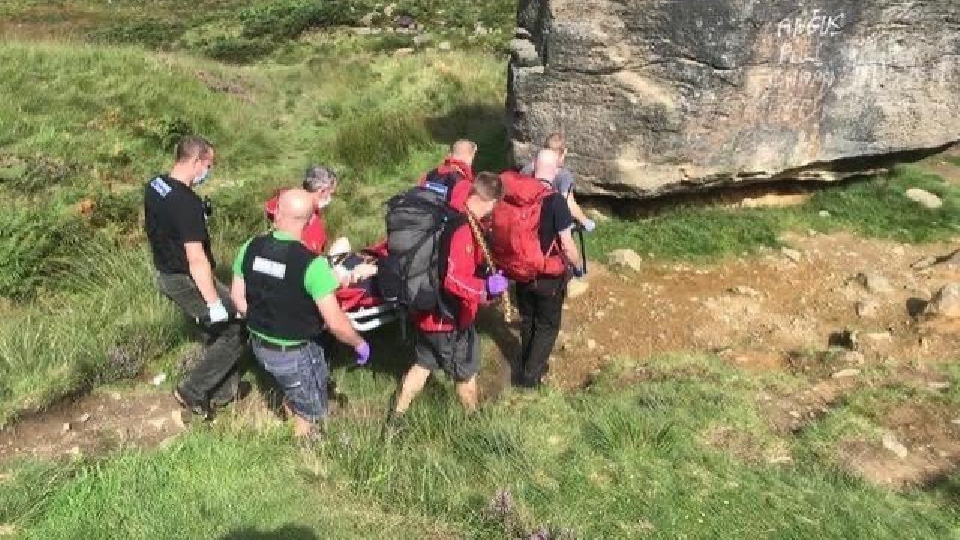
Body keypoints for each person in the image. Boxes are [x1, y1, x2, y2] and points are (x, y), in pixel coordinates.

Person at [231, 189, 371, 440]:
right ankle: (307, 451)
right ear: (309, 222)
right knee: (311, 410)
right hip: (294, 352)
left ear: (276, 214)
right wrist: (359, 344)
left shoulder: (249, 247)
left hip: (259, 344)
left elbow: (238, 299)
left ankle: (295, 411)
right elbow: (336, 324)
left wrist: (264, 319)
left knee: (294, 387)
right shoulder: (313, 265)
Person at [386, 172, 507, 433]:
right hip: (448, 319)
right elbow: (453, 279)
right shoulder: (461, 228)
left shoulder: (448, 213)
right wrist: (484, 288)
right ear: (490, 201)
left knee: (422, 365)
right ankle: (476, 423)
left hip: (426, 312)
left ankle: (396, 418)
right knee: (465, 374)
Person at [144, 136, 245, 418]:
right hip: (185, 277)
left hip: (165, 269)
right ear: (196, 160)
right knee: (235, 329)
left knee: (219, 330)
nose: (209, 171)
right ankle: (192, 391)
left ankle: (226, 393)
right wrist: (213, 304)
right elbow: (197, 259)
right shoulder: (186, 203)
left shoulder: (156, 184)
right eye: (209, 165)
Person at [513, 149, 584, 388]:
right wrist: (578, 266)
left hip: (521, 272)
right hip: (547, 277)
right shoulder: (555, 201)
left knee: (528, 320)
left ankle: (527, 363)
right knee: (547, 326)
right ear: (555, 171)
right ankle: (531, 377)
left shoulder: (517, 198)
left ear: (534, 167)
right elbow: (567, 244)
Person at [521, 133, 595, 232]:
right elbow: (568, 202)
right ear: (564, 152)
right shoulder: (563, 175)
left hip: (528, 219)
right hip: (552, 222)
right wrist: (585, 221)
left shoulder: (527, 169)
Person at [264, 165, 338, 256]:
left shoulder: (286, 198)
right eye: (330, 193)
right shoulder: (314, 224)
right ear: (322, 191)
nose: (330, 197)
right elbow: (310, 257)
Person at [418, 139, 478, 212]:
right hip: (441, 222)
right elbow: (456, 214)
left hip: (421, 219)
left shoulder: (430, 174)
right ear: (470, 155)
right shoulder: (463, 183)